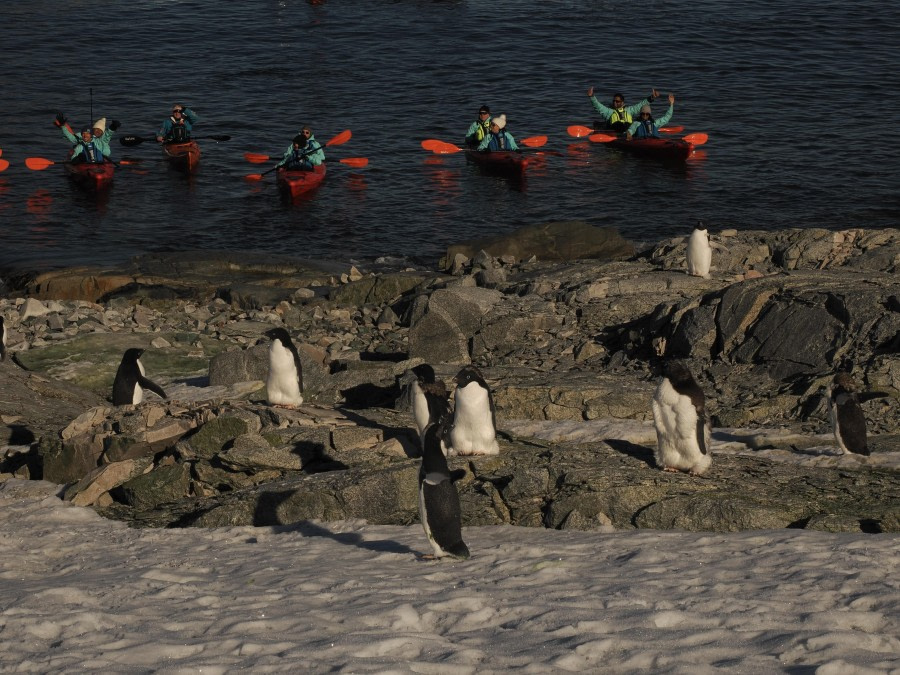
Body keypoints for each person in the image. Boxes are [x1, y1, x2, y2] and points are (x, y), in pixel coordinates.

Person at [587, 87, 660, 132]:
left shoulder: (629, 110)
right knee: (620, 124)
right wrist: (592, 97)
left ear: (622, 103)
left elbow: (640, 105)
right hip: (615, 130)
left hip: (627, 130)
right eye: (614, 101)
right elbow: (598, 106)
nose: (615, 103)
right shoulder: (608, 112)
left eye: (617, 101)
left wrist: (652, 97)